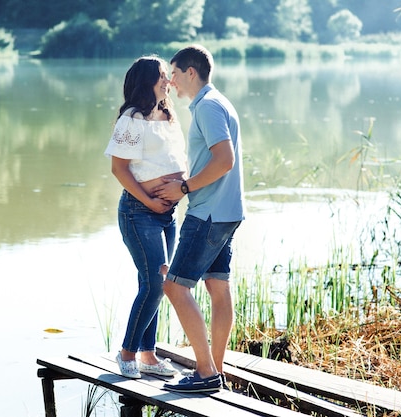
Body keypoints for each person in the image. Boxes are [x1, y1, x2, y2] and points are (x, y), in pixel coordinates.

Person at [153, 44, 245, 393]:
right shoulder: (219, 102)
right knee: (218, 289)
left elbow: (224, 160)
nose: (171, 82)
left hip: (207, 212)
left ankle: (205, 374)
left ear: (191, 72)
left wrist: (185, 188)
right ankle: (215, 371)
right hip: (228, 211)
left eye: (174, 74)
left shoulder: (206, 107)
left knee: (175, 286)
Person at [104, 56, 187, 379]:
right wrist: (151, 202)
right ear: (147, 80)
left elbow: (176, 158)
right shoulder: (132, 118)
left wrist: (179, 188)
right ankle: (127, 353)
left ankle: (148, 355)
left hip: (168, 214)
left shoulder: (168, 115)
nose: (169, 81)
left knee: (155, 283)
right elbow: (119, 169)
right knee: (156, 282)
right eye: (163, 76)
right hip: (139, 213)